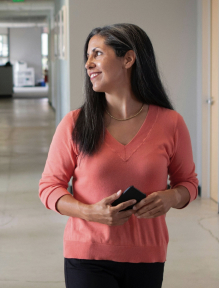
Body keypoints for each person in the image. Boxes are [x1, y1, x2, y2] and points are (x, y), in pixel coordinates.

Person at [39, 23, 198, 288]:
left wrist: (171, 197)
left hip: (147, 256)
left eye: (97, 53)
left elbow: (189, 183)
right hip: (87, 255)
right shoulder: (74, 123)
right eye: (87, 56)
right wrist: (90, 212)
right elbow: (49, 187)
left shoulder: (171, 123)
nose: (88, 64)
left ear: (128, 58)